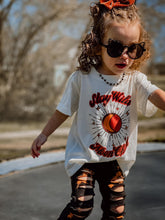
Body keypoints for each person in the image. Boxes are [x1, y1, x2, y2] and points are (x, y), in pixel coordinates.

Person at [31, 0, 165, 219]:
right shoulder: (82, 79)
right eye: (115, 47)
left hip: (114, 158)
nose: (125, 56)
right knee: (82, 205)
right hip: (84, 156)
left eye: (133, 49)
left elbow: (155, 94)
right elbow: (63, 110)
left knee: (117, 210)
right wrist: (44, 134)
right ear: (96, 45)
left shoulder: (135, 80)